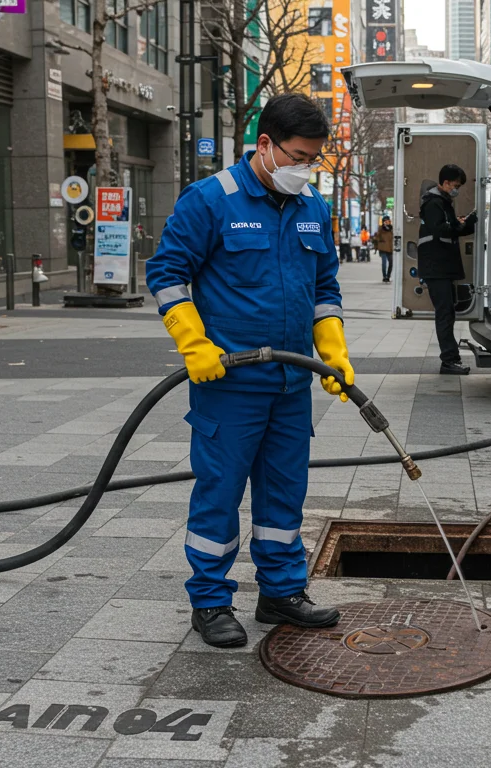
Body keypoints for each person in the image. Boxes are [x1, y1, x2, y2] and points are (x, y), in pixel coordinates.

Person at [145, 93, 348, 648]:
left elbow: (324, 289)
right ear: (264, 145)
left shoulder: (312, 208)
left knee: (285, 494)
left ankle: (281, 592)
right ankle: (210, 601)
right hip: (229, 383)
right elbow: (166, 273)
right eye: (298, 157)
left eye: (314, 160)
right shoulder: (210, 200)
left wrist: (332, 350)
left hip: (290, 384)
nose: (305, 169)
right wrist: (194, 343)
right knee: (220, 491)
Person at [417, 166, 477, 375]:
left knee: (448, 313)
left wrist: (468, 223)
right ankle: (449, 360)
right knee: (444, 314)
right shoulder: (433, 203)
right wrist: (460, 225)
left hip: (442, 268)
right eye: (456, 186)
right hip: (436, 268)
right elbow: (441, 229)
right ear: (446, 182)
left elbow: (451, 229)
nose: (457, 190)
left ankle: (451, 359)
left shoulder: (443, 202)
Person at [374, 215, 395, 283]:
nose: (386, 222)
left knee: (391, 263)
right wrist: (377, 246)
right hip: (383, 248)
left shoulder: (392, 229)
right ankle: (384, 276)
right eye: (385, 221)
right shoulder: (381, 229)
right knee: (384, 263)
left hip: (390, 248)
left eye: (388, 221)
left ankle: (388, 276)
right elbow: (377, 238)